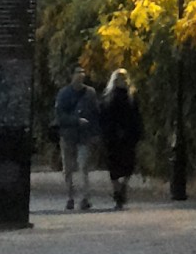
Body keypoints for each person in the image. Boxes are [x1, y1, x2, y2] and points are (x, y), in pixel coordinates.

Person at [52, 69, 101, 211]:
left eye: (83, 73)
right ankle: (70, 196)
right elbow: (60, 115)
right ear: (71, 76)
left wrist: (96, 133)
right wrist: (76, 120)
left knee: (83, 166)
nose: (81, 76)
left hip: (85, 136)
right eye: (78, 73)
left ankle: (84, 197)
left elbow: (96, 113)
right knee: (68, 168)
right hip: (68, 135)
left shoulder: (90, 93)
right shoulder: (64, 94)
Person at [97, 68, 144, 210]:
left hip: (120, 137)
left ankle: (119, 190)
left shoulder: (128, 96)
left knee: (122, 166)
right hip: (119, 137)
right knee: (119, 166)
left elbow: (136, 116)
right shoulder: (115, 97)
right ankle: (119, 191)